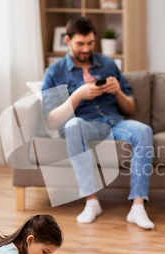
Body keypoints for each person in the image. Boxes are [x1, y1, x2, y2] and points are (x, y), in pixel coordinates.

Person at [42, 16, 154, 229]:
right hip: (85, 124)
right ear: (68, 41)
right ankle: (91, 201)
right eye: (80, 43)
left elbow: (130, 108)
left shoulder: (108, 64)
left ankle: (137, 205)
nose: (86, 48)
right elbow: (51, 120)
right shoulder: (54, 73)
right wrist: (78, 95)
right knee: (71, 126)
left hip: (115, 122)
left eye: (90, 43)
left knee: (144, 130)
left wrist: (118, 91)